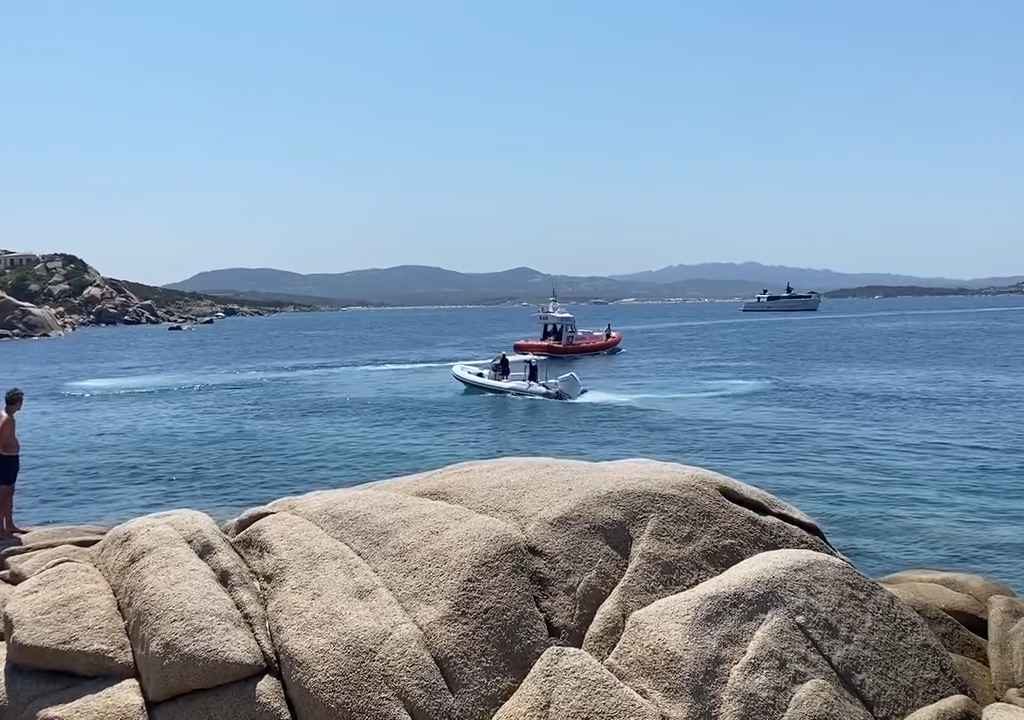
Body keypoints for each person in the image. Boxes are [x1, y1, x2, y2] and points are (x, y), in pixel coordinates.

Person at [0, 388, 26, 538]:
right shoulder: (7, 419)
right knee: (4, 494)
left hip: (9, 459)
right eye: (21, 401)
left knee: (9, 492)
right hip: (7, 460)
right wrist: (6, 454)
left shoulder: (6, 415)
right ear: (17, 402)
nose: (22, 404)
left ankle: (9, 524)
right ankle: (1, 527)